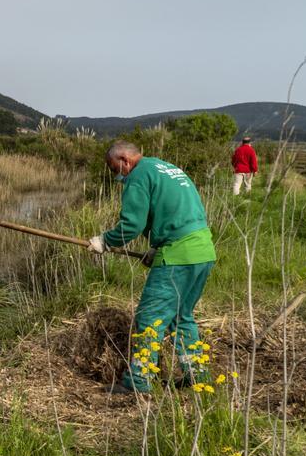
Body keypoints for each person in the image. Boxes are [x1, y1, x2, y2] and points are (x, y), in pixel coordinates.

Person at [88, 141, 217, 394]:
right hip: (203, 250)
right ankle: (197, 375)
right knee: (181, 317)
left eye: (116, 169)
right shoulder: (165, 167)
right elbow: (180, 213)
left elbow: (131, 224)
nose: (118, 175)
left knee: (149, 317)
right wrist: (157, 247)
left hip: (178, 255)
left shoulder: (138, 175)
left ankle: (138, 381)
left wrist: (105, 241)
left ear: (125, 160)